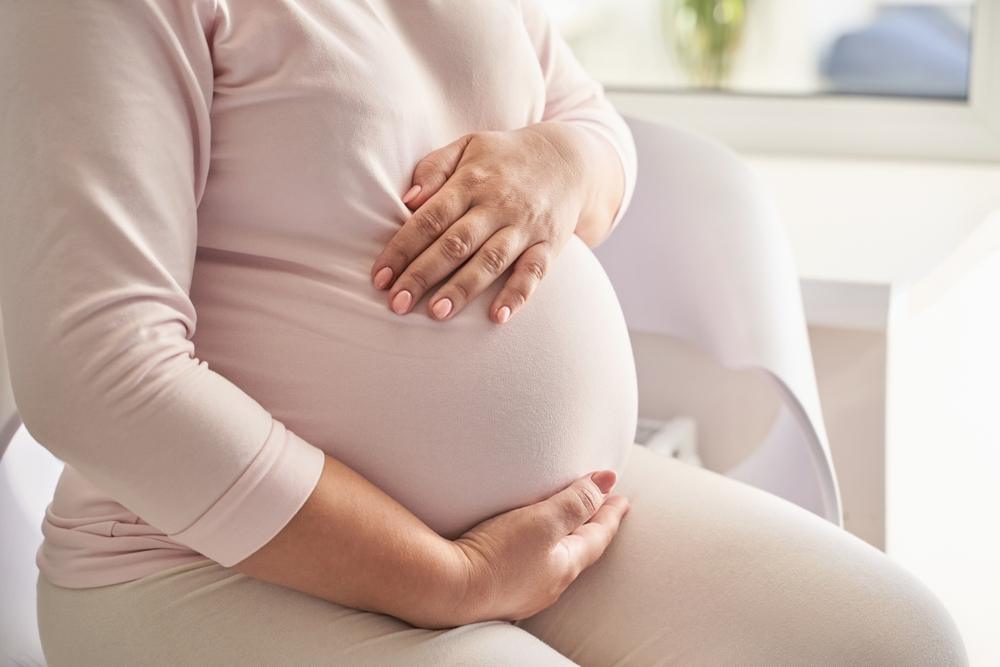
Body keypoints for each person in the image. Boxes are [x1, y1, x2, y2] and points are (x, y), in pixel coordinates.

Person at [0, 1, 966, 665]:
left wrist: (560, 160)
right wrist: (449, 579)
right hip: (199, 563)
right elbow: (96, 375)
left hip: (543, 515)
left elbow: (586, 116)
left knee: (894, 642)